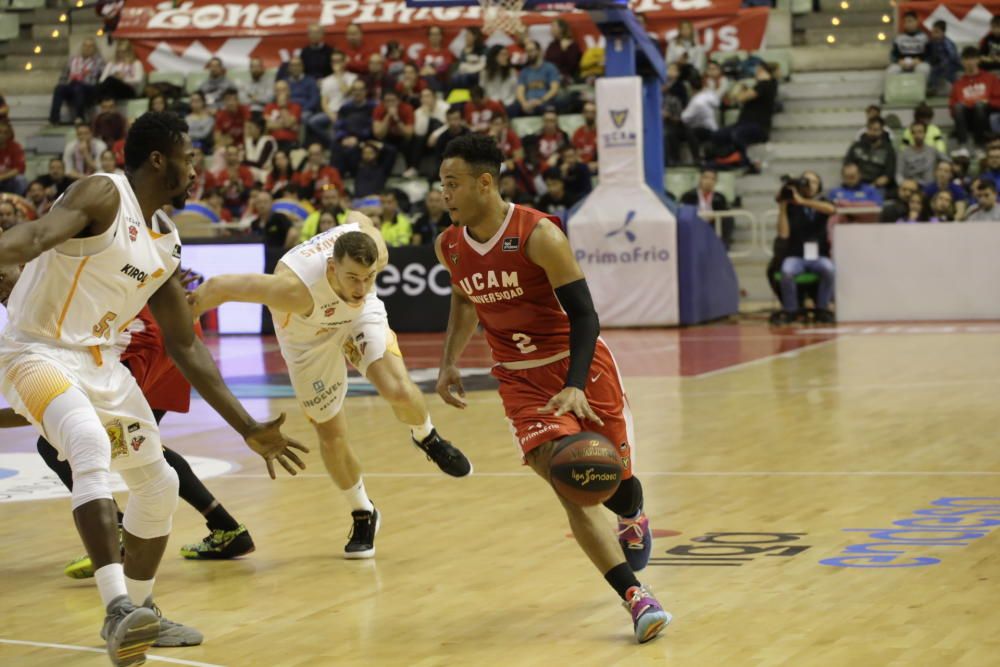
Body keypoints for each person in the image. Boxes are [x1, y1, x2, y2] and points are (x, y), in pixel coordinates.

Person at [0, 111, 305, 666]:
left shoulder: (165, 241)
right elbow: (37, 235)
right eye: (190, 159)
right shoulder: (103, 194)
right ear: (160, 159)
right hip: (35, 350)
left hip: (104, 365)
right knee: (88, 445)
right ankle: (116, 611)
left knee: (159, 484)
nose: (197, 172)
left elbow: (186, 346)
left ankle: (141, 612)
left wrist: (249, 428)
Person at [433, 133, 668, 644]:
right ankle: (637, 598)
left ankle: (632, 516)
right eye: (441, 184)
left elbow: (585, 315)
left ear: (485, 182)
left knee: (617, 484)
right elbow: (465, 300)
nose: (443, 194)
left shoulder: (539, 235)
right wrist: (448, 362)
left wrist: (576, 385)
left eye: (452, 184)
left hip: (578, 365)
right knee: (572, 484)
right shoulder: (449, 243)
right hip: (519, 381)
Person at [189, 213, 472, 561]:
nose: (360, 287)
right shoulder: (293, 289)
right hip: (307, 339)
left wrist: (361, 245)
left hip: (357, 319)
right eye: (353, 278)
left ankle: (426, 436)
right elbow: (219, 287)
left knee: (397, 388)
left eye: (368, 279)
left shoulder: (373, 258)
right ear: (331, 268)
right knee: (331, 433)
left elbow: (359, 218)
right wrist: (182, 324)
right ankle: (364, 511)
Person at [773, 171, 836, 324]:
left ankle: (822, 309)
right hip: (796, 255)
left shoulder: (822, 201)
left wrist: (803, 202)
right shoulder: (792, 206)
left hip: (818, 255)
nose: (809, 185)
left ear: (819, 186)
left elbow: (831, 210)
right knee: (787, 271)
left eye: (813, 182)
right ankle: (791, 310)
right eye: (806, 181)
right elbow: (783, 234)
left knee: (829, 269)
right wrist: (783, 207)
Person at [949, 47, 1000, 148]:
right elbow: (952, 107)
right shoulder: (958, 84)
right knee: (959, 107)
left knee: (979, 105)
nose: (970, 62)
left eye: (972, 58)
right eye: (966, 59)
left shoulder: (990, 78)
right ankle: (963, 145)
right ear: (962, 61)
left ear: (978, 60)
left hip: (985, 116)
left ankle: (979, 145)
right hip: (966, 117)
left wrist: (988, 102)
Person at [49, 38, 105, 124]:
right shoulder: (73, 60)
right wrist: (64, 83)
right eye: (85, 46)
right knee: (59, 88)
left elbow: (102, 76)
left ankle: (80, 117)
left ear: (94, 48)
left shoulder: (99, 61)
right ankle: (54, 118)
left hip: (89, 87)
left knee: (78, 87)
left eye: (90, 46)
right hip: (72, 85)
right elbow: (64, 75)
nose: (87, 48)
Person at [680, 168, 733, 249]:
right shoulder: (688, 196)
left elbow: (724, 213)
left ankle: (723, 247)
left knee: (728, 219)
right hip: (695, 223)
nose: (709, 181)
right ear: (700, 179)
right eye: (706, 178)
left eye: (712, 179)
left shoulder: (720, 197)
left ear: (716, 182)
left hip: (713, 224)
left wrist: (714, 216)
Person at [0, 120, 27, 196]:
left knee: (21, 180)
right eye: (0, 132)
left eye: (5, 133)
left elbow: (19, 169)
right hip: (5, 175)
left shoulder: (15, 147)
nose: (2, 135)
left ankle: (18, 202)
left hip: (9, 181)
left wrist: (1, 177)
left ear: (9, 134)